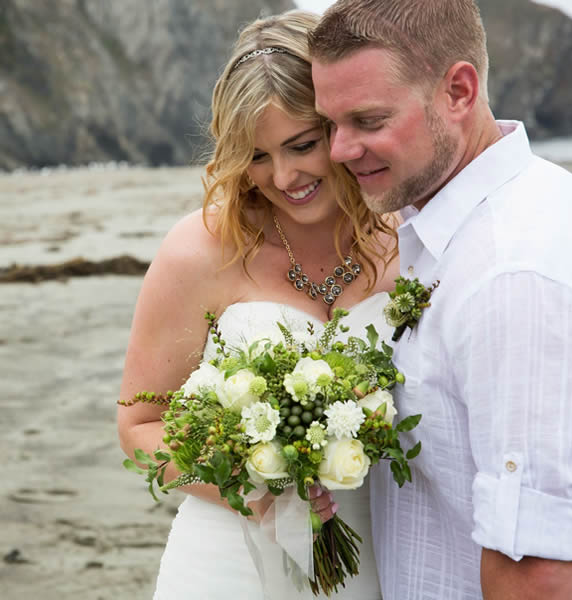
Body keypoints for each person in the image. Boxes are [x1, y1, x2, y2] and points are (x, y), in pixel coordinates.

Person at [309, 1, 572, 598]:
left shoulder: (513, 271)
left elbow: (537, 569)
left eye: (368, 120)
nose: (339, 150)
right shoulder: (446, 226)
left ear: (459, 91)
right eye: (330, 124)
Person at [118, 9, 400, 600]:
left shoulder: (411, 239)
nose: (285, 175)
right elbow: (140, 425)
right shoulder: (201, 251)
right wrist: (256, 488)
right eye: (258, 155)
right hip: (228, 565)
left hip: (381, 559)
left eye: (302, 144)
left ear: (339, 126)